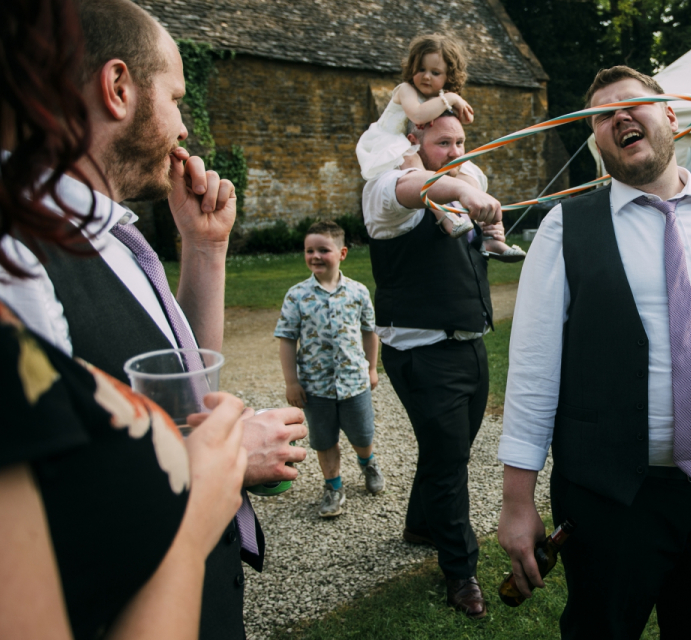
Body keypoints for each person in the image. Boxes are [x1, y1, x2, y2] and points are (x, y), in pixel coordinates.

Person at [0, 1, 308, 638]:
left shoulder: (106, 231)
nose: (184, 128)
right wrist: (226, 463)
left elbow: (183, 386)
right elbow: (69, 514)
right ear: (118, 89)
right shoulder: (21, 261)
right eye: (174, 97)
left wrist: (204, 251)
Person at [497, 65, 691, 639]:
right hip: (613, 499)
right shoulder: (564, 228)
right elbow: (532, 374)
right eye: (601, 115)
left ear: (671, 114)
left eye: (632, 104)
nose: (618, 117)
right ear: (597, 140)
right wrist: (517, 504)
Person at [362, 110, 503, 618]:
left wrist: (471, 195)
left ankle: (422, 524)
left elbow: (463, 189)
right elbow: (410, 186)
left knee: (452, 450)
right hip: (422, 353)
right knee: (449, 464)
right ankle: (461, 571)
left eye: (462, 140)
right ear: (414, 140)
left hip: (468, 343)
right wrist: (461, 190)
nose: (456, 152)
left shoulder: (463, 181)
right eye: (444, 142)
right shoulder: (385, 192)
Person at [356, 33, 525, 261]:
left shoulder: (441, 98)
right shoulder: (406, 89)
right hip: (394, 141)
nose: (426, 77)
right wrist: (452, 99)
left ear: (447, 76)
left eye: (435, 73)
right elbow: (416, 115)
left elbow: (465, 121)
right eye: (421, 69)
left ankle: (492, 238)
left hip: (413, 141)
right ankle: (446, 218)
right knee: (416, 170)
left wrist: (450, 106)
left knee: (465, 171)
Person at [275, 220, 385, 518]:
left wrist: (372, 367)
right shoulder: (297, 295)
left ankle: (368, 463)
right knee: (324, 439)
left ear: (342, 253)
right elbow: (287, 339)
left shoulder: (358, 292)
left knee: (362, 434)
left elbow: (369, 331)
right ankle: (333, 487)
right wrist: (291, 382)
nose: (315, 256)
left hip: (354, 382)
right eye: (309, 250)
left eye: (323, 250)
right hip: (315, 386)